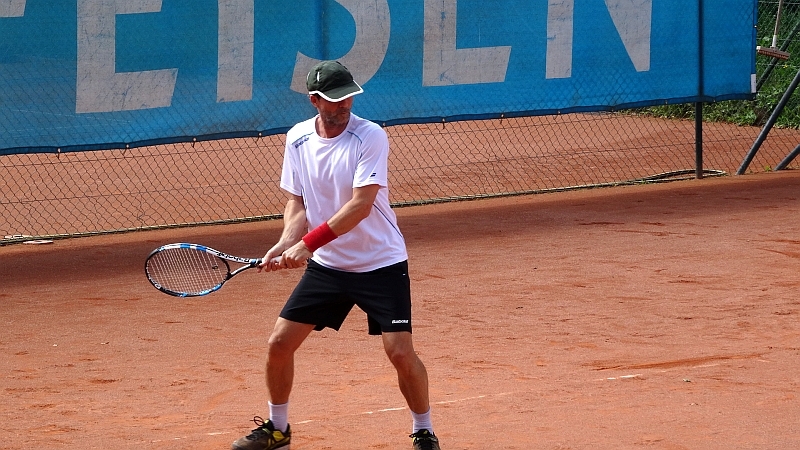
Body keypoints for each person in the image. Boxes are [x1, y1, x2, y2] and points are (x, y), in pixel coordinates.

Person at [231, 61, 441, 450]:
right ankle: (278, 429)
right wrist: (285, 241)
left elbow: (360, 205)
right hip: (329, 268)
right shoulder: (297, 139)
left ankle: (423, 430)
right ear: (314, 100)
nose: (344, 104)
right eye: (334, 99)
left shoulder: (370, 136)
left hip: (380, 263)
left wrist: (307, 245)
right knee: (279, 344)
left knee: (399, 352)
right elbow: (298, 203)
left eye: (348, 97)